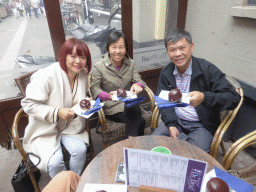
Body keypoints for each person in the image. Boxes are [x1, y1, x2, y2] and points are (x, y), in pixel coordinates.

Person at [152, 28, 240, 152]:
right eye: (172, 50)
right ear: (167, 52)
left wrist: (204, 97)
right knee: (153, 146)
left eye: (182, 48)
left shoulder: (207, 69)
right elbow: (163, 101)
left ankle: (182, 142)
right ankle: (182, 141)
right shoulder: (166, 72)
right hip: (175, 121)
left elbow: (233, 98)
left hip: (201, 125)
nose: (177, 54)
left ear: (191, 47)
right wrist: (171, 125)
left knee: (191, 156)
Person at [21, 38, 92, 178]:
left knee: (80, 150)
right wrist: (57, 112)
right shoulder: (46, 75)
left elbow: (75, 100)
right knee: (55, 161)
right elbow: (28, 105)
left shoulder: (82, 75)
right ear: (63, 56)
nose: (78, 61)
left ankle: (74, 181)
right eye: (73, 56)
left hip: (70, 128)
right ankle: (62, 185)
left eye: (82, 57)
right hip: (44, 130)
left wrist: (85, 102)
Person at [90, 31, 146, 137]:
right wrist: (108, 96)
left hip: (129, 105)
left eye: (121, 47)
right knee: (139, 120)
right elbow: (94, 89)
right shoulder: (99, 66)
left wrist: (138, 85)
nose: (117, 51)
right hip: (112, 107)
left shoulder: (130, 63)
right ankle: (135, 147)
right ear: (108, 48)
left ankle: (131, 146)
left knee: (133, 108)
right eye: (114, 47)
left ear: (125, 48)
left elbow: (140, 81)